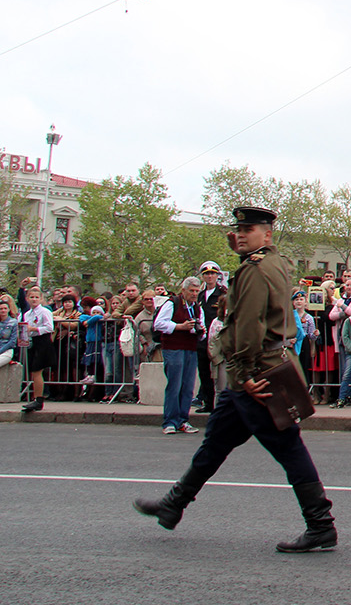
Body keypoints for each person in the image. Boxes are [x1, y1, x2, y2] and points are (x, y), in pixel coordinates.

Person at [134, 206, 337, 553]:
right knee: (215, 443)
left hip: (257, 372)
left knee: (288, 447)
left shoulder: (255, 271)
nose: (241, 234)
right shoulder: (273, 262)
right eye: (239, 229)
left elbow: (249, 325)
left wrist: (242, 375)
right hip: (264, 366)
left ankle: (321, 525)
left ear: (267, 234)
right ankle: (174, 504)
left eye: (250, 229)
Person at [154, 276, 204, 435]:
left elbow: (201, 327)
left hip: (191, 348)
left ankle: (183, 419)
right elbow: (158, 323)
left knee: (188, 387)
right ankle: (169, 421)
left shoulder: (197, 307)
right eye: (192, 291)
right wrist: (179, 327)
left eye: (197, 291)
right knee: (174, 385)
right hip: (174, 348)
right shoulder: (172, 303)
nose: (194, 294)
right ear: (184, 290)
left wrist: (200, 331)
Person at [194, 261, 227, 414]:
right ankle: (208, 402)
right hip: (202, 337)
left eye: (212, 273)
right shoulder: (199, 295)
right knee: (204, 372)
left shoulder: (223, 293)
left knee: (220, 373)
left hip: (217, 338)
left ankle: (220, 404)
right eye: (206, 274)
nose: (209, 276)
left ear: (217, 275)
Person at [19, 285, 53, 414]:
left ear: (41, 299)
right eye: (31, 297)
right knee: (33, 370)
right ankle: (36, 397)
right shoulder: (27, 314)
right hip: (33, 342)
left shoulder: (44, 312)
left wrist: (34, 329)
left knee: (37, 371)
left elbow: (50, 327)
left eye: (36, 297)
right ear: (27, 298)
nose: (34, 299)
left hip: (43, 341)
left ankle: (39, 399)